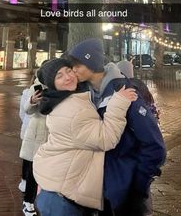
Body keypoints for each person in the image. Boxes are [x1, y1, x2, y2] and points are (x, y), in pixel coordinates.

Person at [69, 38, 166, 216]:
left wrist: (137, 186)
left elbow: (155, 146)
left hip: (123, 191)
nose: (73, 70)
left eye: (78, 65)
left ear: (92, 62)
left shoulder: (126, 93)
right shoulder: (84, 93)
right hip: (96, 189)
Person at [33, 58, 138, 216]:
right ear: (52, 84)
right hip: (61, 200)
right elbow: (106, 138)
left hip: (56, 186)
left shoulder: (67, 98)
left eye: (68, 71)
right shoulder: (71, 109)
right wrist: (119, 102)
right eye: (59, 76)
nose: (67, 77)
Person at [19, 72, 46, 216]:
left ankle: (44, 200)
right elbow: (27, 110)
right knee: (33, 171)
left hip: (53, 134)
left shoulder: (60, 87)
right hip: (37, 133)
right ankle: (28, 202)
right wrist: (32, 100)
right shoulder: (37, 86)